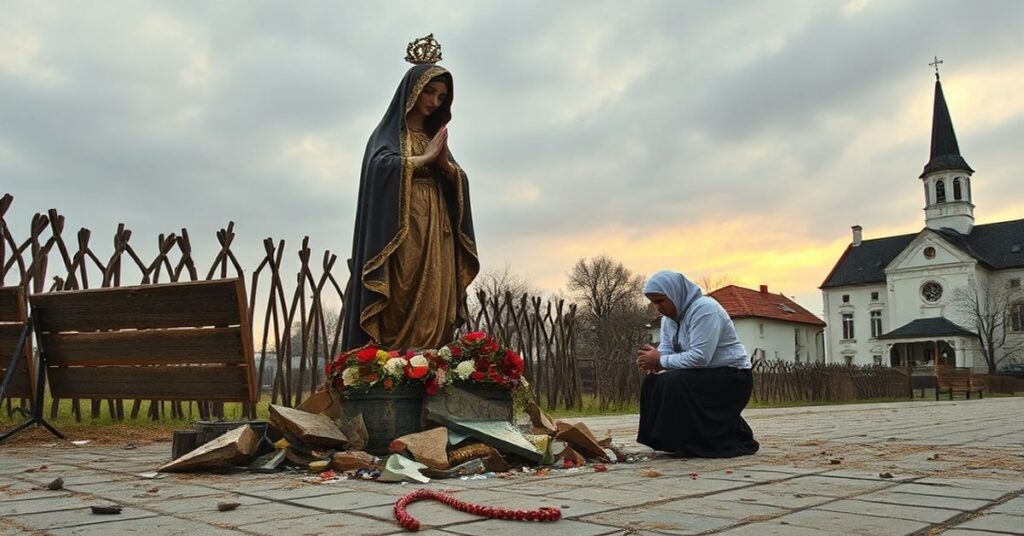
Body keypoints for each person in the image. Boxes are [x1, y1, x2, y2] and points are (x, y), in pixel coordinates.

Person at [342, 37, 479, 352]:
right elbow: (379, 169)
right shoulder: (387, 136)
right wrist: (422, 161)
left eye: (441, 96)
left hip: (438, 229)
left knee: (435, 290)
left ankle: (430, 358)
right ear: (412, 91)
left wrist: (448, 169)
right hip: (403, 228)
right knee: (402, 289)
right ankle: (396, 355)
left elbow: (456, 176)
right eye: (429, 91)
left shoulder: (434, 137)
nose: (434, 101)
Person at [635, 270, 759, 458]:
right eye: (654, 302)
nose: (657, 307)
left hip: (731, 377)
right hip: (702, 375)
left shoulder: (705, 310)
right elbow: (667, 350)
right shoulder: (669, 319)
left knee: (673, 382)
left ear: (675, 294)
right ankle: (670, 441)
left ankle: (709, 441)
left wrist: (660, 360)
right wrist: (656, 362)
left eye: (660, 301)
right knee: (654, 382)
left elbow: (701, 357)